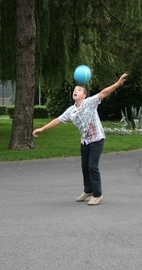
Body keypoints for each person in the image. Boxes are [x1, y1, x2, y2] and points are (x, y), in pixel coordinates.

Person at [32, 73, 128, 205]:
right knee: (84, 167)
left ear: (84, 95)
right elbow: (57, 120)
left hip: (97, 139)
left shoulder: (90, 103)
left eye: (78, 90)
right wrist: (42, 129)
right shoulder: (71, 111)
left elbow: (103, 93)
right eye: (74, 90)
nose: (75, 91)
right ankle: (88, 190)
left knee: (92, 166)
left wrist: (117, 84)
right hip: (85, 141)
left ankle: (97, 194)